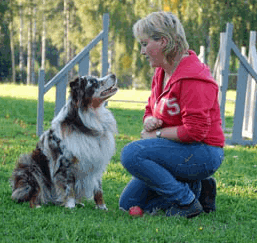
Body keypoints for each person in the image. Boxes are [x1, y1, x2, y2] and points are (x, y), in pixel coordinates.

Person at [119, 11, 225, 218]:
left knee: (132, 154)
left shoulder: (194, 79)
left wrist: (156, 135)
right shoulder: (161, 72)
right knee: (128, 204)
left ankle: (186, 202)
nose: (142, 51)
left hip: (203, 151)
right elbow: (151, 107)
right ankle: (199, 189)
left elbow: (195, 132)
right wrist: (149, 120)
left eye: (144, 44)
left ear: (163, 42)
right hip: (178, 148)